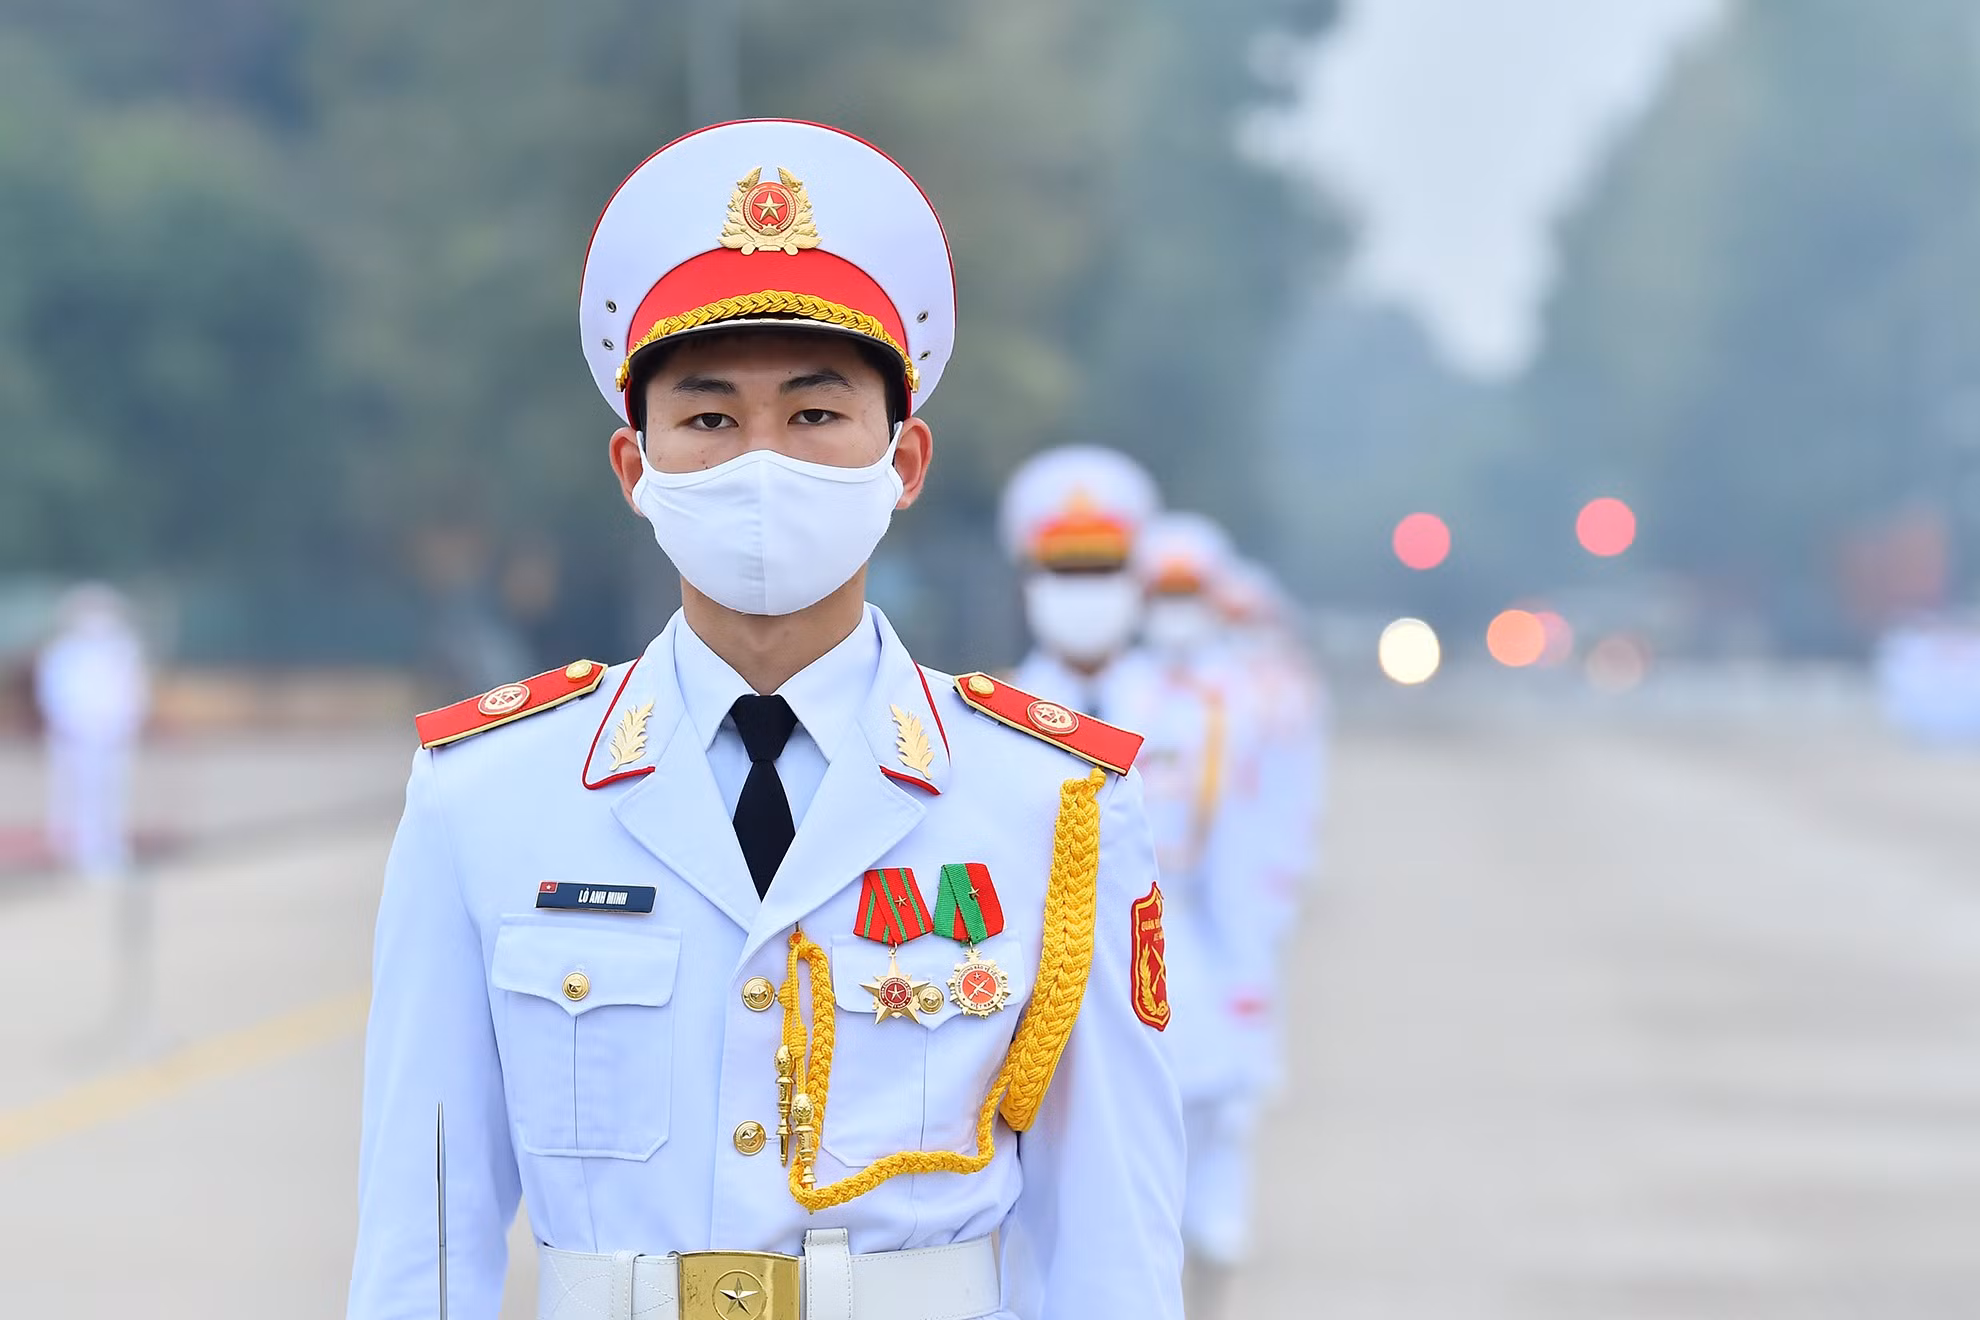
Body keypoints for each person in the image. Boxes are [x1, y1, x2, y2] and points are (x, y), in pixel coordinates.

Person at [349, 119, 1184, 1320]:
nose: (760, 462)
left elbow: (1110, 1230)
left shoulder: (1049, 801)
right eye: (708, 419)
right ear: (635, 466)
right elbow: (423, 1226)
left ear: (904, 458)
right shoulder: (488, 795)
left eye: (813, 414)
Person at [1120, 513, 1280, 1320]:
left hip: (1182, 943)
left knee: (1206, 1178)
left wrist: (1252, 993)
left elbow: (1238, 865)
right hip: (1093, 953)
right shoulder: (1094, 696)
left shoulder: (1222, 709)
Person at [998, 445, 1161, 715]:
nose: (1085, 587)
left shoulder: (1194, 711)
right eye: (1065, 571)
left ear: (1140, 582)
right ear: (1026, 587)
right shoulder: (994, 713)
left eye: (1103, 570)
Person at [34, 584, 149, 881]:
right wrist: (68, 724)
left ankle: (110, 847)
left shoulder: (123, 649)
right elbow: (53, 692)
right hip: (76, 733)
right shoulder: (64, 651)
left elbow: (133, 690)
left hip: (113, 733)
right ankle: (78, 848)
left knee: (112, 792)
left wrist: (128, 721)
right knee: (80, 792)